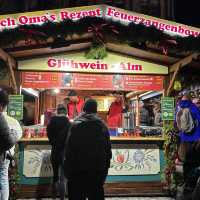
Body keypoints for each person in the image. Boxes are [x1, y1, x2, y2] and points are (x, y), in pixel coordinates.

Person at [64, 99, 112, 200]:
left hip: (77, 171)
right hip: (96, 171)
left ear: (84, 110)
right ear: (96, 111)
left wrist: (68, 170)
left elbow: (68, 150)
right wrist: (105, 170)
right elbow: (108, 151)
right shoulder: (102, 126)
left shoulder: (75, 125)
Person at [0, 88, 22, 200]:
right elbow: (16, 137)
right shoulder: (10, 120)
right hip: (4, 155)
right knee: (3, 179)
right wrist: (12, 135)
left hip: (4, 155)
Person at [47, 104, 71, 200]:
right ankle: (62, 198)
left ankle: (54, 197)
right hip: (64, 153)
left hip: (54, 152)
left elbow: (49, 136)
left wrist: (53, 143)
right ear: (66, 112)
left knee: (55, 176)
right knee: (63, 178)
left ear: (57, 112)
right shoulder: (69, 124)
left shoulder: (51, 122)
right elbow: (70, 139)